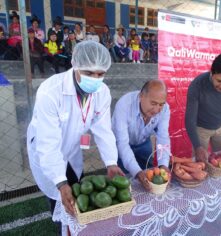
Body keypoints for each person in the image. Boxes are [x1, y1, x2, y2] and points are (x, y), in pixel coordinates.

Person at [27, 41, 124, 230]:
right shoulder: (51, 91)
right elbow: (48, 143)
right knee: (59, 194)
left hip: (72, 146)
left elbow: (103, 130)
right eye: (89, 73)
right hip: (47, 148)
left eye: (101, 74)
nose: (95, 79)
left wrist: (111, 162)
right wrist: (60, 182)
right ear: (75, 65)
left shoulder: (102, 92)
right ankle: (61, 228)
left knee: (78, 193)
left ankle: (77, 229)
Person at [112, 80, 171, 191]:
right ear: (141, 96)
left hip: (144, 142)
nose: (157, 109)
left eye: (161, 105)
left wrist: (163, 166)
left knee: (149, 176)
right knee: (124, 182)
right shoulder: (124, 105)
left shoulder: (165, 109)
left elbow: (163, 138)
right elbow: (122, 143)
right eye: (153, 103)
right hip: (121, 144)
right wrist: (137, 172)